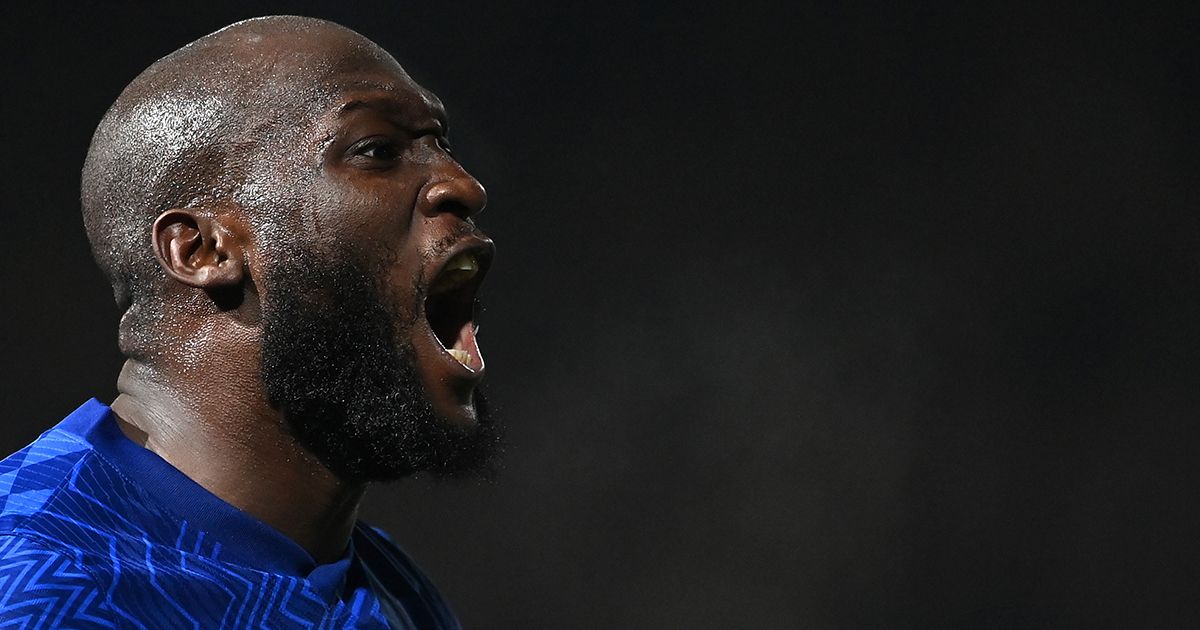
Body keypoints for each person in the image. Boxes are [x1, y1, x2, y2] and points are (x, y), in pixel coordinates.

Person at [0, 15, 499, 629]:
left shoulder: (389, 586)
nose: (463, 186)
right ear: (202, 252)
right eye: (377, 150)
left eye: (440, 145)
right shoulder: (40, 591)